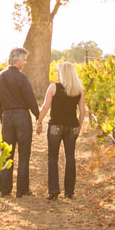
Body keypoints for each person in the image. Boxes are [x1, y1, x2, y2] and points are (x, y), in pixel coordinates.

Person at [35, 60, 88, 200]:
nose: (56, 72)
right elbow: (83, 111)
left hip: (55, 127)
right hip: (72, 127)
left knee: (53, 158)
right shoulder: (79, 90)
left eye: (58, 71)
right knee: (70, 157)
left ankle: (53, 191)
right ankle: (69, 191)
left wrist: (39, 122)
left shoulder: (53, 88)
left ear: (63, 73)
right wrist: (79, 125)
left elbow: (45, 107)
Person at [0, 47, 39, 197]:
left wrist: (3, 117)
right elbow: (30, 99)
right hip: (22, 117)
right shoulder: (22, 78)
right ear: (17, 60)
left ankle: (4, 189)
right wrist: (38, 116)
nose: (25, 63)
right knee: (24, 153)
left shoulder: (0, 77)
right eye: (24, 60)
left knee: (6, 153)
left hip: (7, 116)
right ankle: (22, 189)